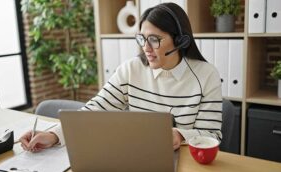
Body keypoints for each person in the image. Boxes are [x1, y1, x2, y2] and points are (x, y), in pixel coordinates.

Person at [20, 2, 222, 152]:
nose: (146, 48)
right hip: (136, 156)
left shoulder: (206, 76)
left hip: (184, 162)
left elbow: (211, 135)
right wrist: (53, 135)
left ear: (180, 41)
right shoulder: (131, 69)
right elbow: (96, 109)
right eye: (142, 38)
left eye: (154, 39)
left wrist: (179, 135)